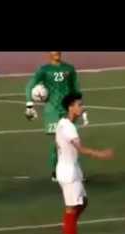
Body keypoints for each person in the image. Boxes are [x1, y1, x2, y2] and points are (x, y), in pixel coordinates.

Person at [55, 93, 113, 234]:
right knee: (72, 208)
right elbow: (81, 149)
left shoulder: (63, 123)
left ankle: (67, 233)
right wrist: (101, 154)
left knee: (83, 202)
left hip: (69, 168)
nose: (82, 107)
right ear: (70, 107)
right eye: (79, 104)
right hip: (69, 172)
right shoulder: (69, 127)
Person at [25, 52, 89, 182]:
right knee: (57, 144)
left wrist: (81, 109)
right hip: (52, 111)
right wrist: (29, 105)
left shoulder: (69, 69)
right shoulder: (44, 70)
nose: (57, 53)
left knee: (73, 142)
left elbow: (76, 90)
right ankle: (55, 173)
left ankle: (76, 172)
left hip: (68, 111)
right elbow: (29, 86)